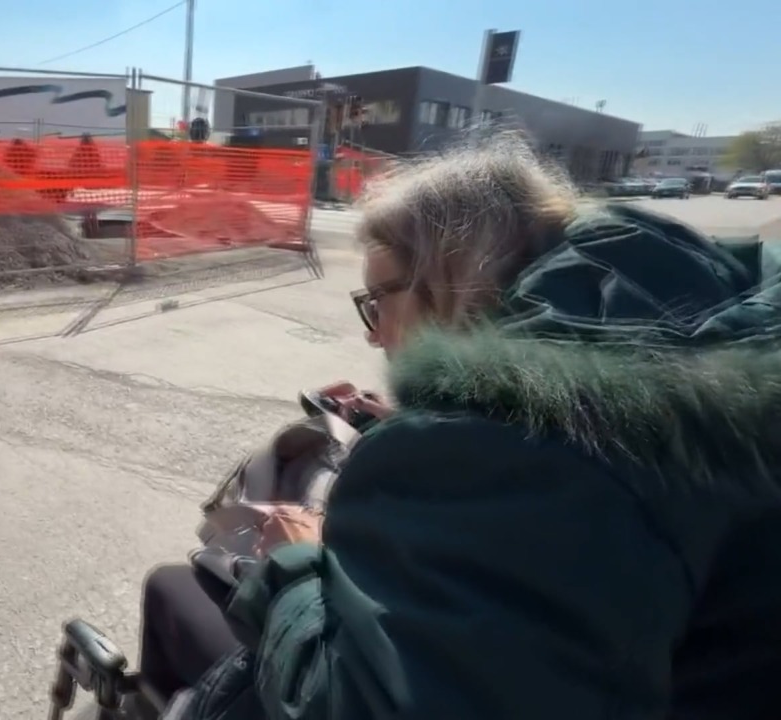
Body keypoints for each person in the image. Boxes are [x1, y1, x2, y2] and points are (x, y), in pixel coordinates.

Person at [172, 131, 781, 719]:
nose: (372, 332)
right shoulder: (690, 323)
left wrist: (293, 566)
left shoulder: (515, 448)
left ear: (447, 278)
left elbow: (363, 702)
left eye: (376, 301)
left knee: (174, 596)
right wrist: (443, 419)